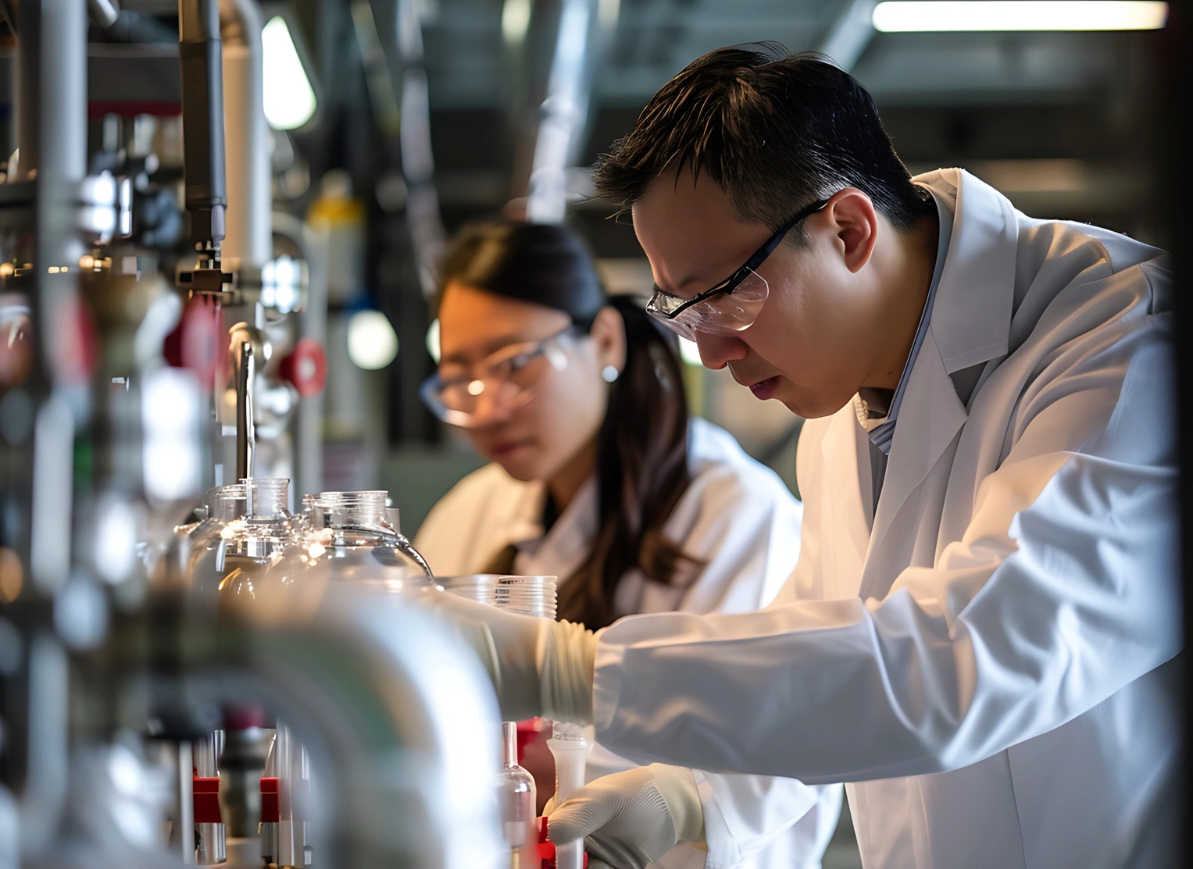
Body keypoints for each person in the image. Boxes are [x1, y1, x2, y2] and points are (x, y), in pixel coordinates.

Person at [425, 45, 1181, 869]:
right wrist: (690, 795)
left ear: (849, 230)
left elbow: (964, 660)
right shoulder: (844, 392)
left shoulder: (1128, 349)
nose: (710, 354)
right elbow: (825, 671)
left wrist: (564, 667)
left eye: (725, 297)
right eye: (683, 311)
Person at [413, 218, 842, 869]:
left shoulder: (737, 521)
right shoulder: (469, 514)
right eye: (460, 381)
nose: (490, 407)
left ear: (604, 341)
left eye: (514, 366)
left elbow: (765, 782)